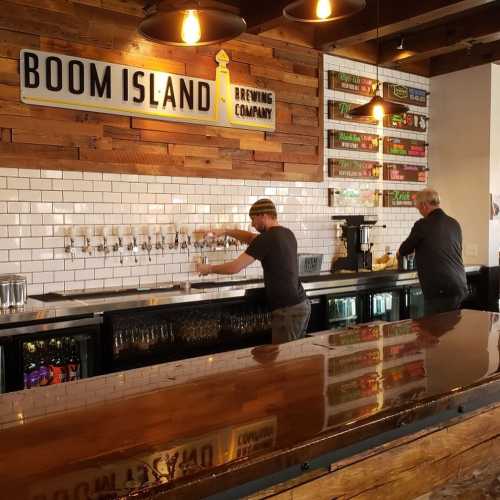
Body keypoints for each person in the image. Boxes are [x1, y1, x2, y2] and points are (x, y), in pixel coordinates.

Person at [196, 198, 311, 344]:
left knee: (285, 361)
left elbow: (235, 267)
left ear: (263, 215)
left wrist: (209, 268)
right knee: (296, 356)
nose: (252, 224)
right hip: (300, 304)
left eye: (253, 219)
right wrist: (225, 231)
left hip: (287, 310)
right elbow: (250, 237)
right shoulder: (286, 233)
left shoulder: (267, 239)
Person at [398, 188, 468, 316]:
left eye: (418, 208)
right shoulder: (454, 223)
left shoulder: (423, 224)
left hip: (439, 289)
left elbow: (404, 249)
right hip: (459, 285)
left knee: (433, 331)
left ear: (424, 205)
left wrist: (400, 253)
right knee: (451, 332)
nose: (419, 212)